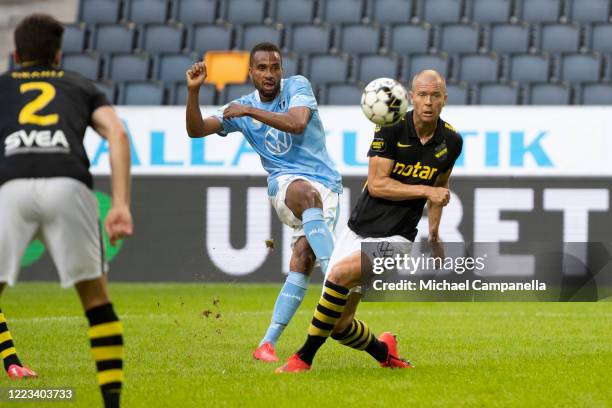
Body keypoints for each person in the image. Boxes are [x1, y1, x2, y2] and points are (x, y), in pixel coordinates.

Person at [276, 70, 463, 372]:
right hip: (358, 230)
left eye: (435, 95)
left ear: (444, 99)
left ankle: (303, 358)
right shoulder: (390, 127)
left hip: (397, 239)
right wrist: (426, 189)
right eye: (423, 95)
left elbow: (440, 189)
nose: (428, 102)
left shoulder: (451, 141)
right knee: (339, 325)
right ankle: (384, 352)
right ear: (412, 97)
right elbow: (377, 184)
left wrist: (435, 233)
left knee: (338, 275)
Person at [0, 14, 132, 408]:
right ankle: (111, 403)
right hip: (69, 183)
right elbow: (118, 134)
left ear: (14, 54)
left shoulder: (2, 87)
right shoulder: (80, 85)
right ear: (58, 56)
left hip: (11, 186)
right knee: (96, 303)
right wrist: (121, 204)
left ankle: (11, 365)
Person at [185, 42, 342, 362]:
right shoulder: (239, 106)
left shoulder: (297, 86)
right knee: (305, 196)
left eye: (275, 67)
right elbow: (197, 129)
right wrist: (193, 93)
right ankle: (337, 280)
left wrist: (250, 112)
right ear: (251, 72)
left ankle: (266, 343)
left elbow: (297, 122)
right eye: (262, 68)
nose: (270, 74)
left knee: (302, 258)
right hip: (286, 184)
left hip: (328, 184)